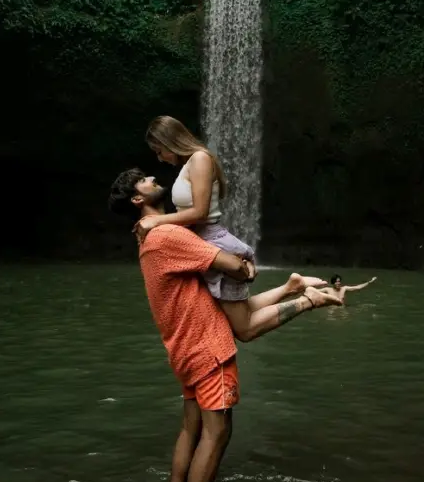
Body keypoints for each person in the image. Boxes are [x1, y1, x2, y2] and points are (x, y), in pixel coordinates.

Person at [108, 168, 342, 482]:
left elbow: (233, 307)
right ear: (137, 200)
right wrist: (247, 268)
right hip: (207, 348)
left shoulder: (149, 239)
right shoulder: (168, 233)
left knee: (191, 429)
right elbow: (233, 265)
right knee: (217, 434)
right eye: (143, 179)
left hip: (184, 348)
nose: (153, 177)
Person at [135, 115, 324, 342]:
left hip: (214, 241)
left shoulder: (200, 159)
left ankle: (308, 300)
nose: (160, 158)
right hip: (203, 243)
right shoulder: (190, 164)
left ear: (169, 141)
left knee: (244, 329)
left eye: (159, 150)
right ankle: (292, 286)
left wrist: (157, 221)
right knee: (237, 313)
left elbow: (200, 213)